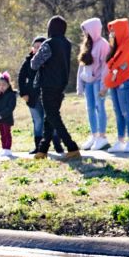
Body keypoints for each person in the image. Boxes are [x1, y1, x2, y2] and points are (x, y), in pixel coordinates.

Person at [31, 15, 80, 160]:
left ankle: (71, 147)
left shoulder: (48, 43)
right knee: (49, 117)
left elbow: (34, 63)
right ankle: (43, 150)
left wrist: (39, 58)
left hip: (48, 85)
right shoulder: (67, 43)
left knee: (52, 116)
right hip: (61, 85)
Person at [19, 36, 63, 154]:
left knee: (51, 119)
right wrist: (23, 93)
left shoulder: (50, 61)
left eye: (40, 47)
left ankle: (57, 144)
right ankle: (38, 147)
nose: (38, 49)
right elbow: (21, 78)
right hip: (33, 97)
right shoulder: (28, 62)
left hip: (48, 96)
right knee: (38, 121)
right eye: (36, 47)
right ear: (32, 48)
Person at [100, 18, 129, 153]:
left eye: (113, 31)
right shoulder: (116, 45)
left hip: (125, 81)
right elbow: (110, 62)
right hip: (115, 81)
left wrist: (112, 64)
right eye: (110, 31)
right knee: (118, 112)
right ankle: (120, 140)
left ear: (120, 30)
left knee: (126, 111)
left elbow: (116, 63)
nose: (111, 34)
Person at [76, 18, 111, 150]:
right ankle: (94, 135)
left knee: (99, 107)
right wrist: (80, 85)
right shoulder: (86, 44)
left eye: (86, 30)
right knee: (90, 109)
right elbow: (81, 65)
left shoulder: (103, 44)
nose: (84, 33)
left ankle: (102, 137)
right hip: (88, 83)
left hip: (98, 81)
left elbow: (105, 67)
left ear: (93, 29)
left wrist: (103, 86)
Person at [0, 71, 17, 157]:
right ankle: (3, 148)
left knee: (6, 133)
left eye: (4, 84)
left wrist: (2, 114)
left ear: (8, 85)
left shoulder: (11, 95)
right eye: (0, 85)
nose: (2, 87)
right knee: (2, 134)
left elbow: (10, 107)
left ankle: (7, 149)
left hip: (6, 118)